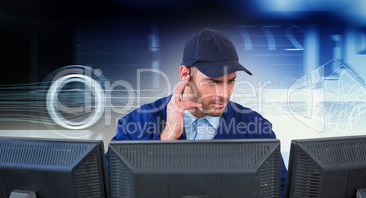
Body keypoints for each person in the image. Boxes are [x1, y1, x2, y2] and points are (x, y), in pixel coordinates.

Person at [107, 27, 286, 197]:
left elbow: (279, 188)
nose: (224, 94)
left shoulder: (255, 127)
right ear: (185, 74)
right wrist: (165, 139)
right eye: (213, 82)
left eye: (231, 81)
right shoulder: (137, 122)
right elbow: (111, 185)